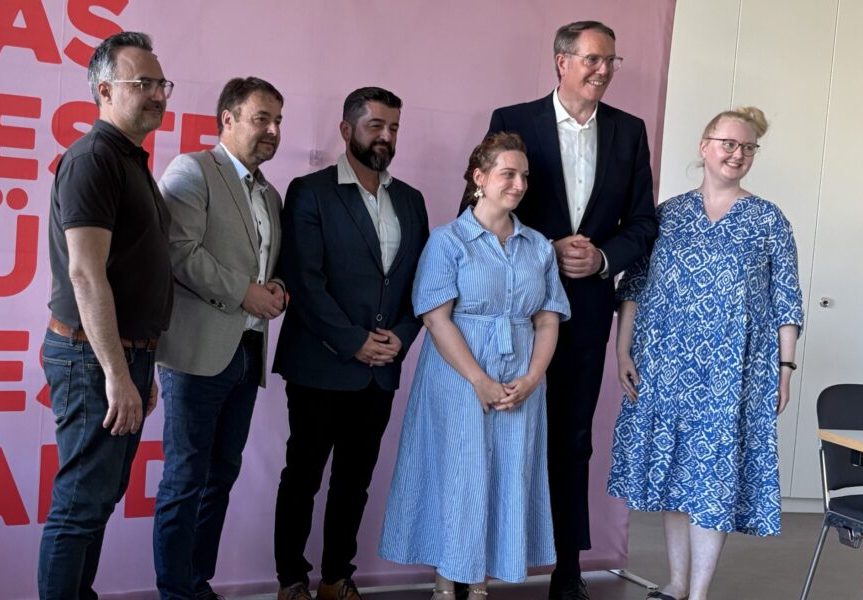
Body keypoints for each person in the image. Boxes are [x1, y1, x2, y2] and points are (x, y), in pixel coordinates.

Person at [484, 20, 658, 600]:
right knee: (500, 434)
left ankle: (567, 570)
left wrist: (603, 258)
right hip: (515, 311)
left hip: (587, 311)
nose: (603, 71)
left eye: (611, 61)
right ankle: (475, 566)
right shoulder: (513, 120)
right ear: (562, 61)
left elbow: (643, 223)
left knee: (573, 440)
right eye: (592, 60)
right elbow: (487, 206)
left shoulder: (630, 131)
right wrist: (546, 248)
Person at [608, 106, 803, 600]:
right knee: (677, 472)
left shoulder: (768, 219)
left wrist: (784, 369)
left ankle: (698, 593)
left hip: (732, 372)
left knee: (712, 478)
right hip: (665, 363)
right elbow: (634, 286)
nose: (737, 154)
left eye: (747, 147)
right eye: (728, 144)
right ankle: (676, 582)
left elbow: (787, 300)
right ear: (704, 146)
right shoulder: (667, 214)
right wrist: (622, 351)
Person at [380, 132, 570, 598]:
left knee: (506, 472)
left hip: (522, 376)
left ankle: (480, 582)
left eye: (524, 175)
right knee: (458, 472)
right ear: (479, 178)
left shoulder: (538, 247)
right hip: (457, 375)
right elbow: (436, 318)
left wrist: (532, 378)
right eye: (508, 174)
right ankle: (446, 581)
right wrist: (479, 380)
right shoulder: (448, 241)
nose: (519, 184)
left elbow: (548, 319)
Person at [272, 87, 430, 600]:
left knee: (354, 481)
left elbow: (421, 283)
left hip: (380, 369)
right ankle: (291, 580)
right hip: (320, 364)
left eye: (394, 128)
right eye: (375, 126)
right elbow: (305, 280)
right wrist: (354, 341)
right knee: (304, 476)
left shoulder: (411, 200)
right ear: (346, 130)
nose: (386, 136)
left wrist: (401, 336)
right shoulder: (310, 191)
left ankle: (337, 578)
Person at [37, 31, 173, 600]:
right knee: (79, 506)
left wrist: (141, 367)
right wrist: (118, 373)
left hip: (120, 357)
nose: (157, 94)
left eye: (161, 84)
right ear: (105, 90)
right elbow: (86, 275)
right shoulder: (93, 159)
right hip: (93, 359)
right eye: (143, 83)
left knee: (96, 502)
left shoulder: (129, 160)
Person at [153, 77, 287, 600]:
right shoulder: (192, 170)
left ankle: (197, 583)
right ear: (227, 119)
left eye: (278, 120)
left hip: (248, 353)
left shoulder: (270, 194)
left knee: (221, 476)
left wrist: (276, 288)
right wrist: (245, 293)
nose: (272, 130)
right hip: (196, 354)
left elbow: (265, 266)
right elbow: (178, 251)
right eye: (261, 118)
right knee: (184, 479)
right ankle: (175, 593)